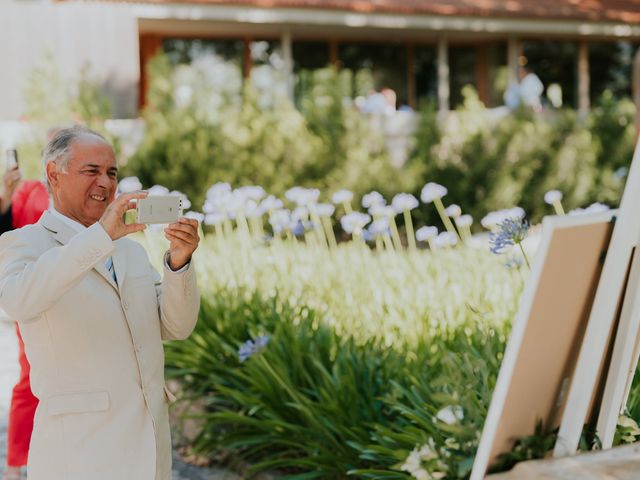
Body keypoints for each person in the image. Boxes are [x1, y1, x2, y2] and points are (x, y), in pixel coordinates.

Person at [0, 126, 200, 480]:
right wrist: (100, 237)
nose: (105, 183)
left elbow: (176, 327)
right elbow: (16, 302)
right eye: (91, 171)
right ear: (53, 175)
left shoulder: (132, 251)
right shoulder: (24, 242)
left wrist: (179, 263)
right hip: (80, 457)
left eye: (111, 173)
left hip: (150, 455)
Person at [3, 179, 49, 480]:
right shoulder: (29, 190)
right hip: (33, 290)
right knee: (29, 376)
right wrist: (5, 195)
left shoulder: (92, 187)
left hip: (80, 291)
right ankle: (15, 461)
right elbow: (6, 230)